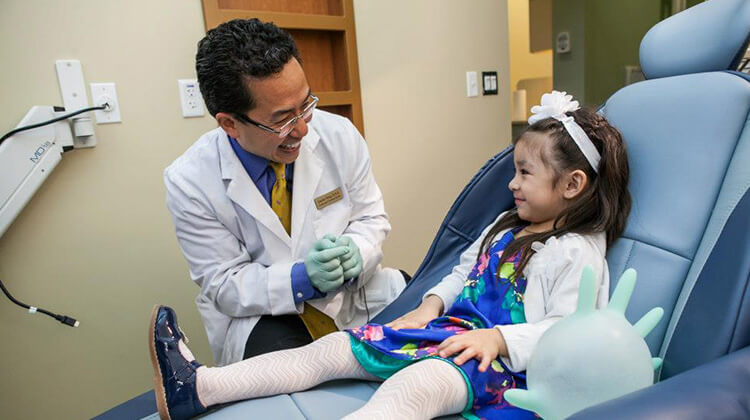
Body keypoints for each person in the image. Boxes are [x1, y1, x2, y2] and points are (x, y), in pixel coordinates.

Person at [150, 91, 632, 420]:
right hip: (448, 331)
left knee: (412, 387)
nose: (511, 184)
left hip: (497, 365)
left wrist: (500, 341)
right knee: (330, 350)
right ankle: (197, 388)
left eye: (525, 174)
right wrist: (431, 305)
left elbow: (570, 333)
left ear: (572, 185)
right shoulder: (508, 225)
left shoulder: (575, 252)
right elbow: (466, 272)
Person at [163, 18, 405, 366]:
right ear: (229, 123)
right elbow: (223, 283)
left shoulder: (339, 135)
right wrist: (302, 278)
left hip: (353, 299)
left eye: (306, 105)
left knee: (430, 310)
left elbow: (370, 217)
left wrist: (357, 249)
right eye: (282, 119)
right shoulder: (189, 181)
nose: (304, 129)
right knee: (297, 378)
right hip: (265, 317)